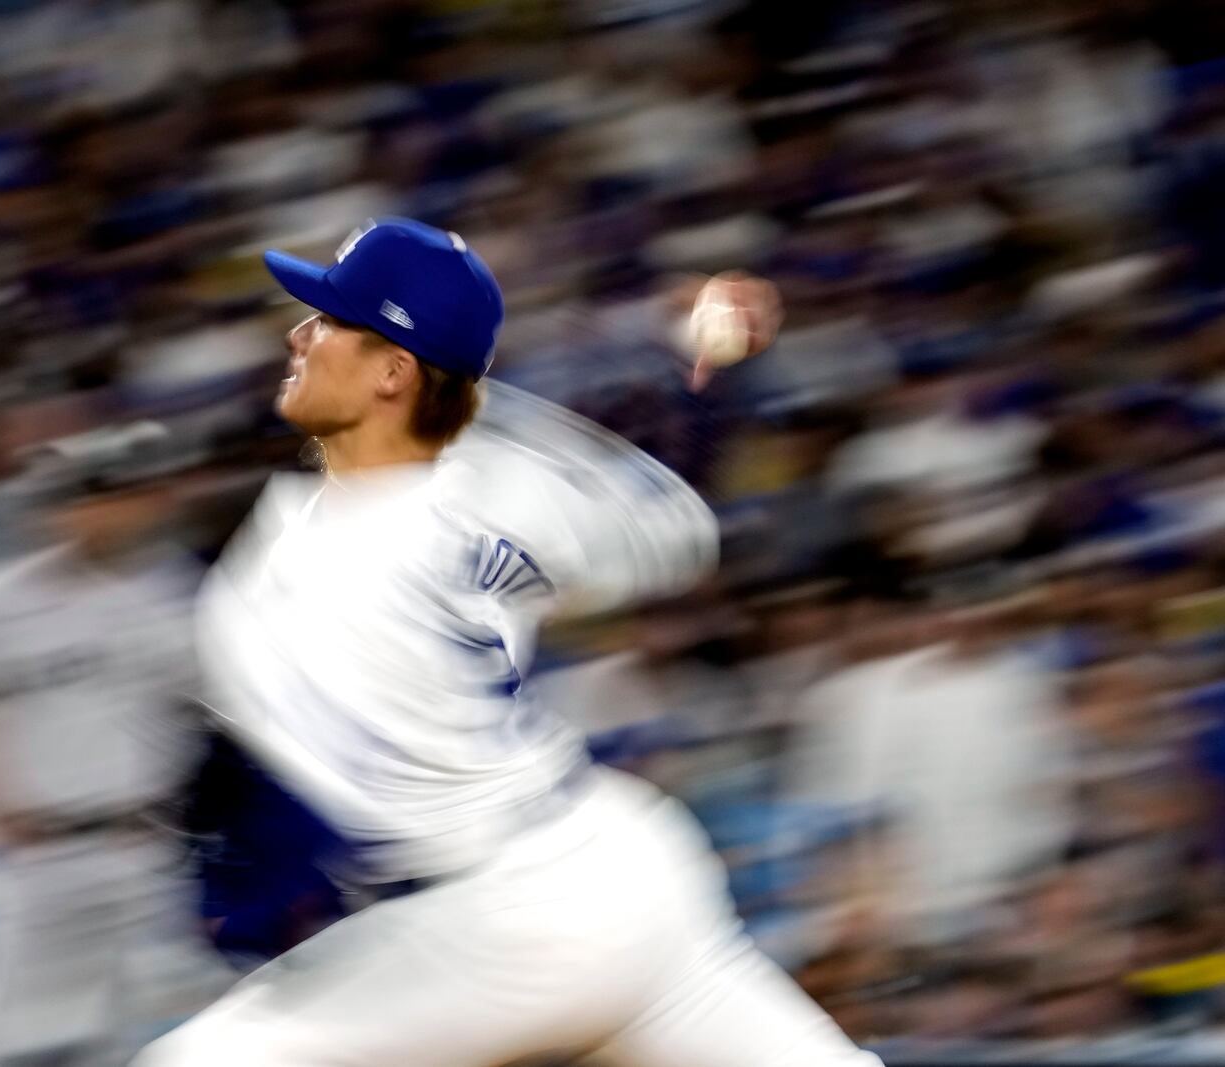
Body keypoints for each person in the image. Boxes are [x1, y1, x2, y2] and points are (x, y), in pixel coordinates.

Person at [134, 217, 880, 1067]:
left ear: (392, 372)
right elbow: (668, 522)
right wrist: (695, 365)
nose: (301, 333)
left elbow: (272, 856)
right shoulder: (504, 478)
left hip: (500, 928)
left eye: (332, 320)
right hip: (625, 870)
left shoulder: (300, 568)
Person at [0, 421, 235, 1067]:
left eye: (114, 493)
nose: (93, 510)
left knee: (159, 1036)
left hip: (142, 847)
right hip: (30, 855)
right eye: (77, 497)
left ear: (150, 499)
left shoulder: (181, 595)